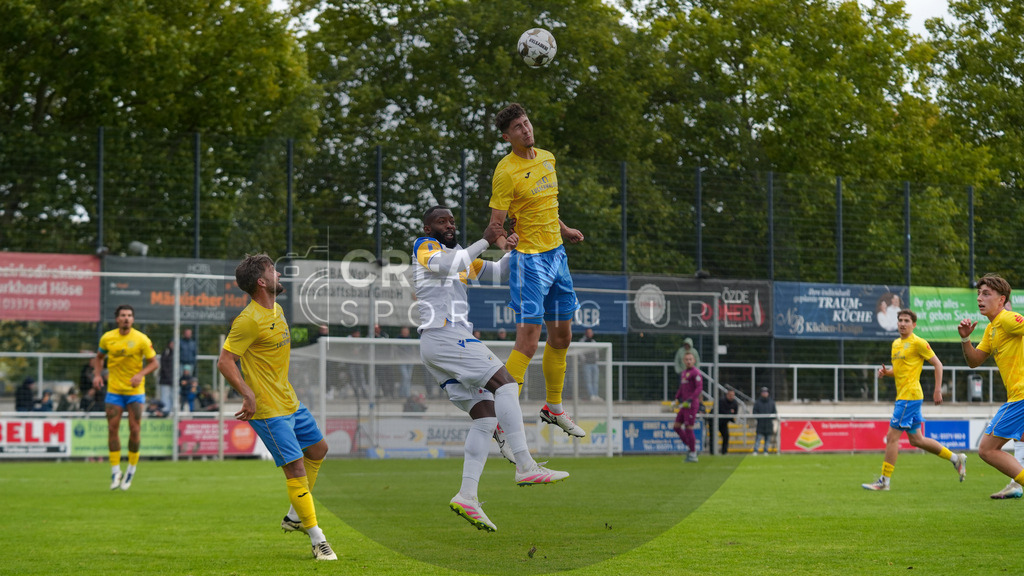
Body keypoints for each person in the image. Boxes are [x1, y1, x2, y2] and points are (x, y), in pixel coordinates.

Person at [415, 206, 569, 532]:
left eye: (452, 220)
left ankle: (467, 495)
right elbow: (449, 265)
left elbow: (499, 273)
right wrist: (486, 239)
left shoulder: (458, 255)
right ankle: (525, 464)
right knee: (507, 384)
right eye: (442, 221)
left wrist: (522, 245)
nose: (449, 225)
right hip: (445, 335)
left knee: (485, 418)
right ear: (428, 227)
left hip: (441, 344)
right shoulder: (425, 247)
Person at [217, 253, 337, 561]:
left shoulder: (278, 309)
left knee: (318, 450)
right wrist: (247, 393)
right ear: (261, 281)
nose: (279, 275)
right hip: (268, 410)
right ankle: (317, 538)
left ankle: (295, 516)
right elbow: (225, 361)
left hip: (290, 401)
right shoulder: (247, 320)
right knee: (295, 468)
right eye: (274, 271)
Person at [487, 102, 585, 438]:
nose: (526, 130)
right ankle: (501, 422)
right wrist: (504, 243)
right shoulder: (505, 172)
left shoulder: (547, 157)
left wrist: (565, 228)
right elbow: (495, 226)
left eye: (527, 123)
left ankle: (553, 408)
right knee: (528, 343)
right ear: (507, 136)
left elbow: (545, 206)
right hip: (529, 262)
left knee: (562, 336)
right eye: (517, 128)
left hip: (557, 256)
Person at [861, 308, 965, 490]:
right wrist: (887, 372)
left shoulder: (918, 343)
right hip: (906, 397)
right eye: (900, 320)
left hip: (910, 397)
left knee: (891, 437)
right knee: (917, 440)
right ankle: (956, 459)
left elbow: (938, 364)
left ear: (914, 324)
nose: (902, 323)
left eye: (907, 321)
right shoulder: (895, 344)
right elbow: (899, 370)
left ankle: (884, 481)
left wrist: (938, 389)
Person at [958, 274, 1024, 499]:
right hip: (1017, 395)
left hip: (1021, 396)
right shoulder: (991, 329)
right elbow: (974, 361)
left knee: (987, 449)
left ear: (1001, 299)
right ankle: (1016, 485)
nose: (980, 298)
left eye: (986, 294)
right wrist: (966, 339)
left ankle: (1018, 484)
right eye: (979, 293)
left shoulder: (1007, 319)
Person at [92, 304, 159, 491]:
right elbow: (98, 358)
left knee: (134, 429)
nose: (126, 318)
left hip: (134, 392)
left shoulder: (141, 339)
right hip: (114, 391)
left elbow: (154, 363)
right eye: (123, 315)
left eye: (130, 315)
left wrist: (140, 374)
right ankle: (115, 471)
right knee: (112, 429)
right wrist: (97, 375)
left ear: (133, 319)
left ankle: (131, 468)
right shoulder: (107, 338)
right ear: (117, 319)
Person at [672, 352, 703, 463]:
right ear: (684, 361)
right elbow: (682, 387)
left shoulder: (696, 373)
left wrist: (691, 399)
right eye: (686, 359)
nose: (689, 361)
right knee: (676, 426)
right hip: (684, 404)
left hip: (691, 404)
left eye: (690, 359)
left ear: (694, 360)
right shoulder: (684, 373)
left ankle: (693, 454)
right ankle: (691, 447)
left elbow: (699, 388)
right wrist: (677, 397)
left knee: (689, 428)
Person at [751, 387, 777, 455]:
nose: (764, 394)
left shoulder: (771, 402)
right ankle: (755, 450)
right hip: (760, 424)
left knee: (767, 439)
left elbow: (774, 413)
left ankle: (766, 451)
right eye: (763, 392)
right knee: (758, 439)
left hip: (768, 424)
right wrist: (760, 418)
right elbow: (754, 412)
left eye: (766, 392)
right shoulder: (757, 402)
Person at [578, 328, 601, 401]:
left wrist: (596, 359)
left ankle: (596, 395)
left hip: (594, 363)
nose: (589, 334)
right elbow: (580, 352)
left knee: (595, 381)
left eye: (591, 332)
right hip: (587, 364)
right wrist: (584, 359)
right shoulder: (582, 341)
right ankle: (591, 395)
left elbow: (596, 352)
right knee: (588, 381)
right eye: (588, 332)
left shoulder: (593, 341)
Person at [396, 326, 415, 399]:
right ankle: (405, 394)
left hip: (410, 361)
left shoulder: (410, 339)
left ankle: (404, 393)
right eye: (404, 331)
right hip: (402, 361)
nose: (405, 333)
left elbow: (413, 350)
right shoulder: (398, 339)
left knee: (408, 378)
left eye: (406, 331)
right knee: (405, 376)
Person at [717, 389, 739, 454]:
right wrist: (729, 412)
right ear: (727, 395)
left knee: (726, 436)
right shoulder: (721, 401)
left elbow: (735, 413)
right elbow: (721, 411)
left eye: (732, 395)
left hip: (724, 422)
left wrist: (730, 414)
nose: (731, 396)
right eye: (730, 395)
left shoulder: (735, 402)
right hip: (715, 421)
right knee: (713, 436)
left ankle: (724, 452)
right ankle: (712, 452)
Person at [158, 340, 176, 414]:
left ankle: (173, 410)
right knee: (165, 395)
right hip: (165, 378)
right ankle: (165, 409)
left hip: (173, 379)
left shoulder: (177, 353)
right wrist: (169, 376)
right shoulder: (166, 353)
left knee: (173, 395)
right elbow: (163, 366)